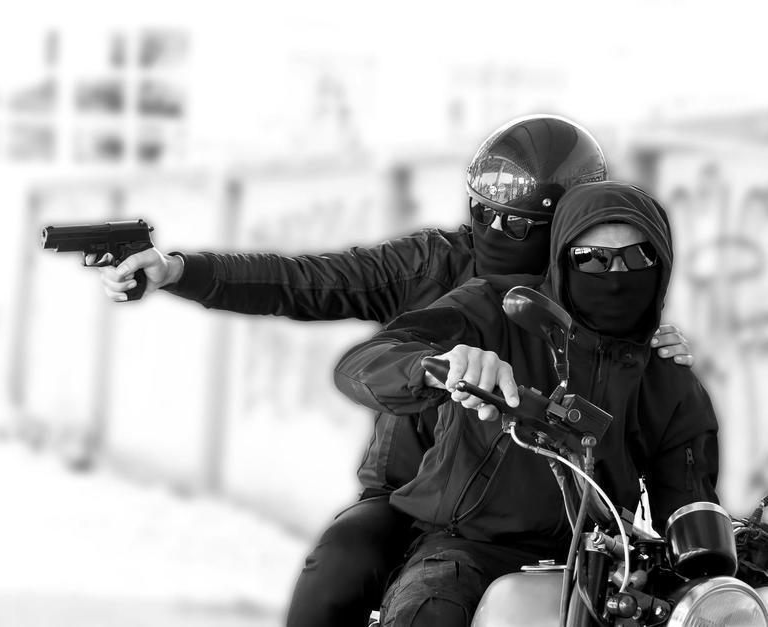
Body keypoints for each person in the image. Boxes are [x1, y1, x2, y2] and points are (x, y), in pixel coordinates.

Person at [87, 116, 694, 627]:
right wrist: (179, 271)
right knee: (336, 574)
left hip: (579, 524)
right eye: (485, 213)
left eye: (520, 224)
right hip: (420, 502)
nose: (496, 234)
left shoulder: (604, 292)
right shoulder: (439, 269)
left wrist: (652, 347)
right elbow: (305, 283)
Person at [333, 181, 719, 627]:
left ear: (662, 264)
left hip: (601, 564)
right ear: (560, 260)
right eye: (591, 259)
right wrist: (437, 365)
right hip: (469, 547)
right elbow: (363, 363)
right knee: (427, 610)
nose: (616, 275)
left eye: (637, 257)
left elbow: (691, 506)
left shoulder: (665, 371)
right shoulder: (493, 310)